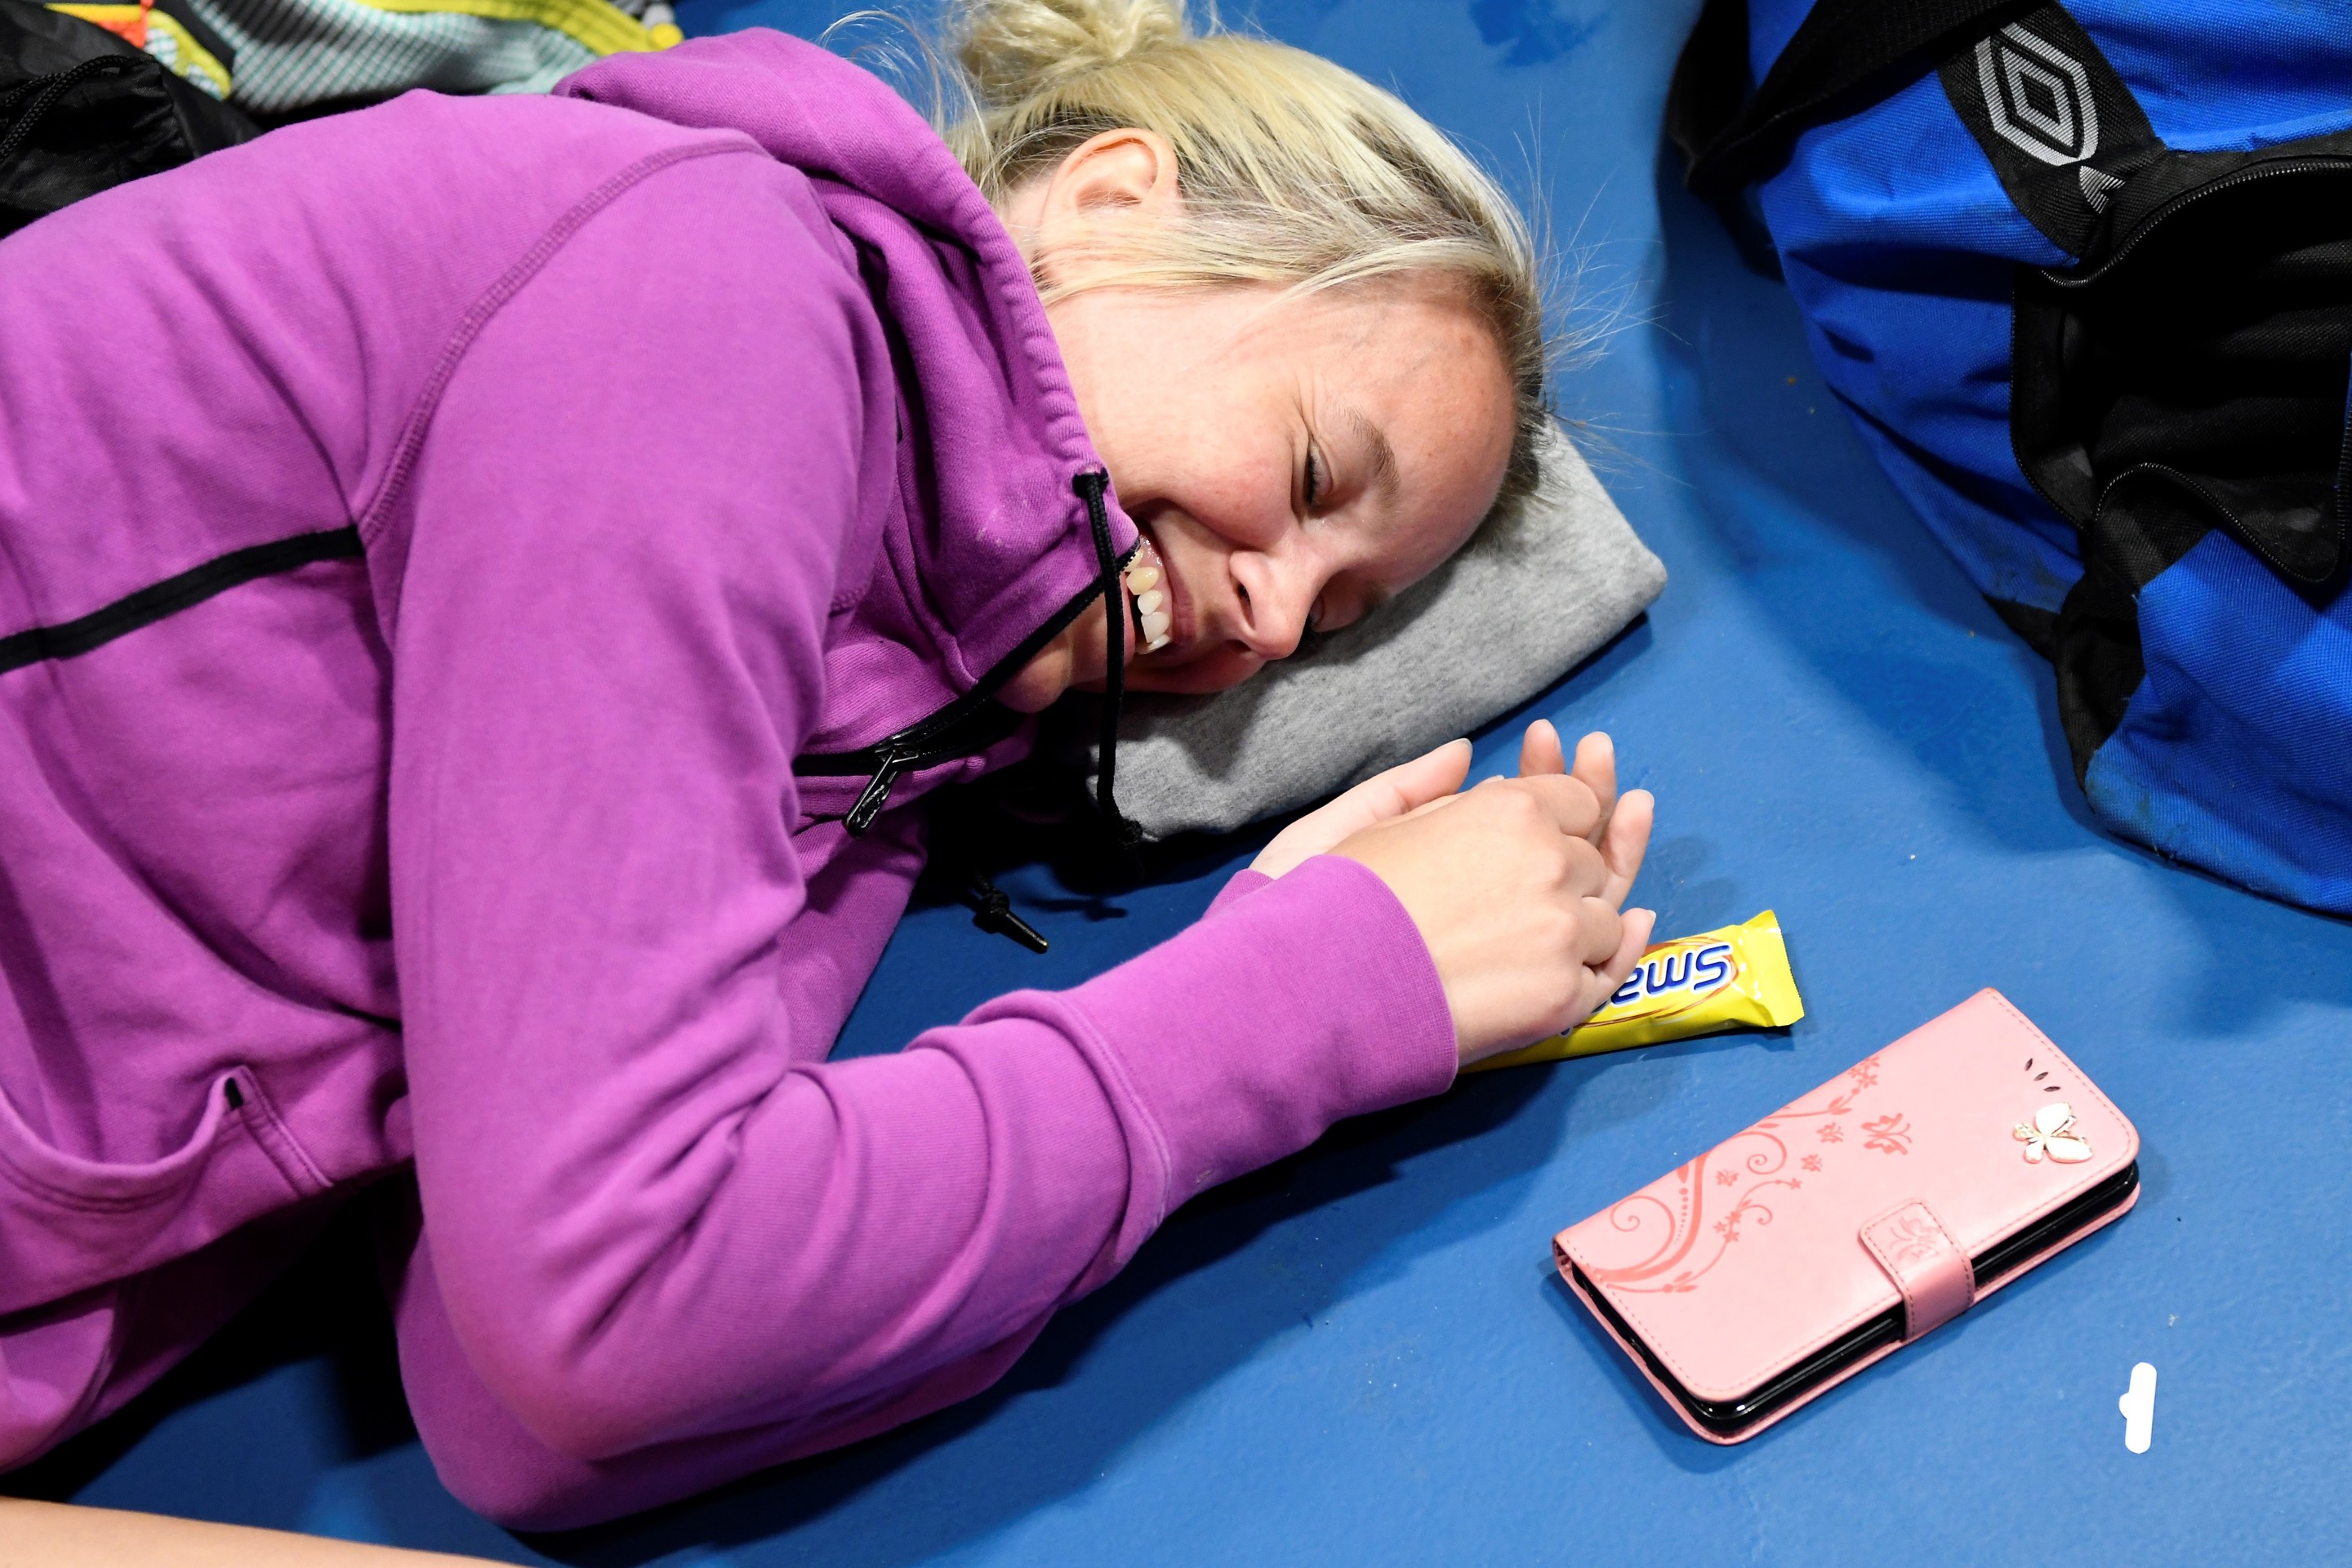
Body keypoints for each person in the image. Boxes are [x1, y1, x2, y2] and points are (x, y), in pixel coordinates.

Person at [0, 0, 1655, 1531]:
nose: (1274, 619)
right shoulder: (700, 295)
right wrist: (1300, 1006)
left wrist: (1271, 974)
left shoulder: (892, 748)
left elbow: (545, 1424)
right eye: (1308, 476)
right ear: (1110, 204)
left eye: (1342, 617)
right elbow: (615, 1310)